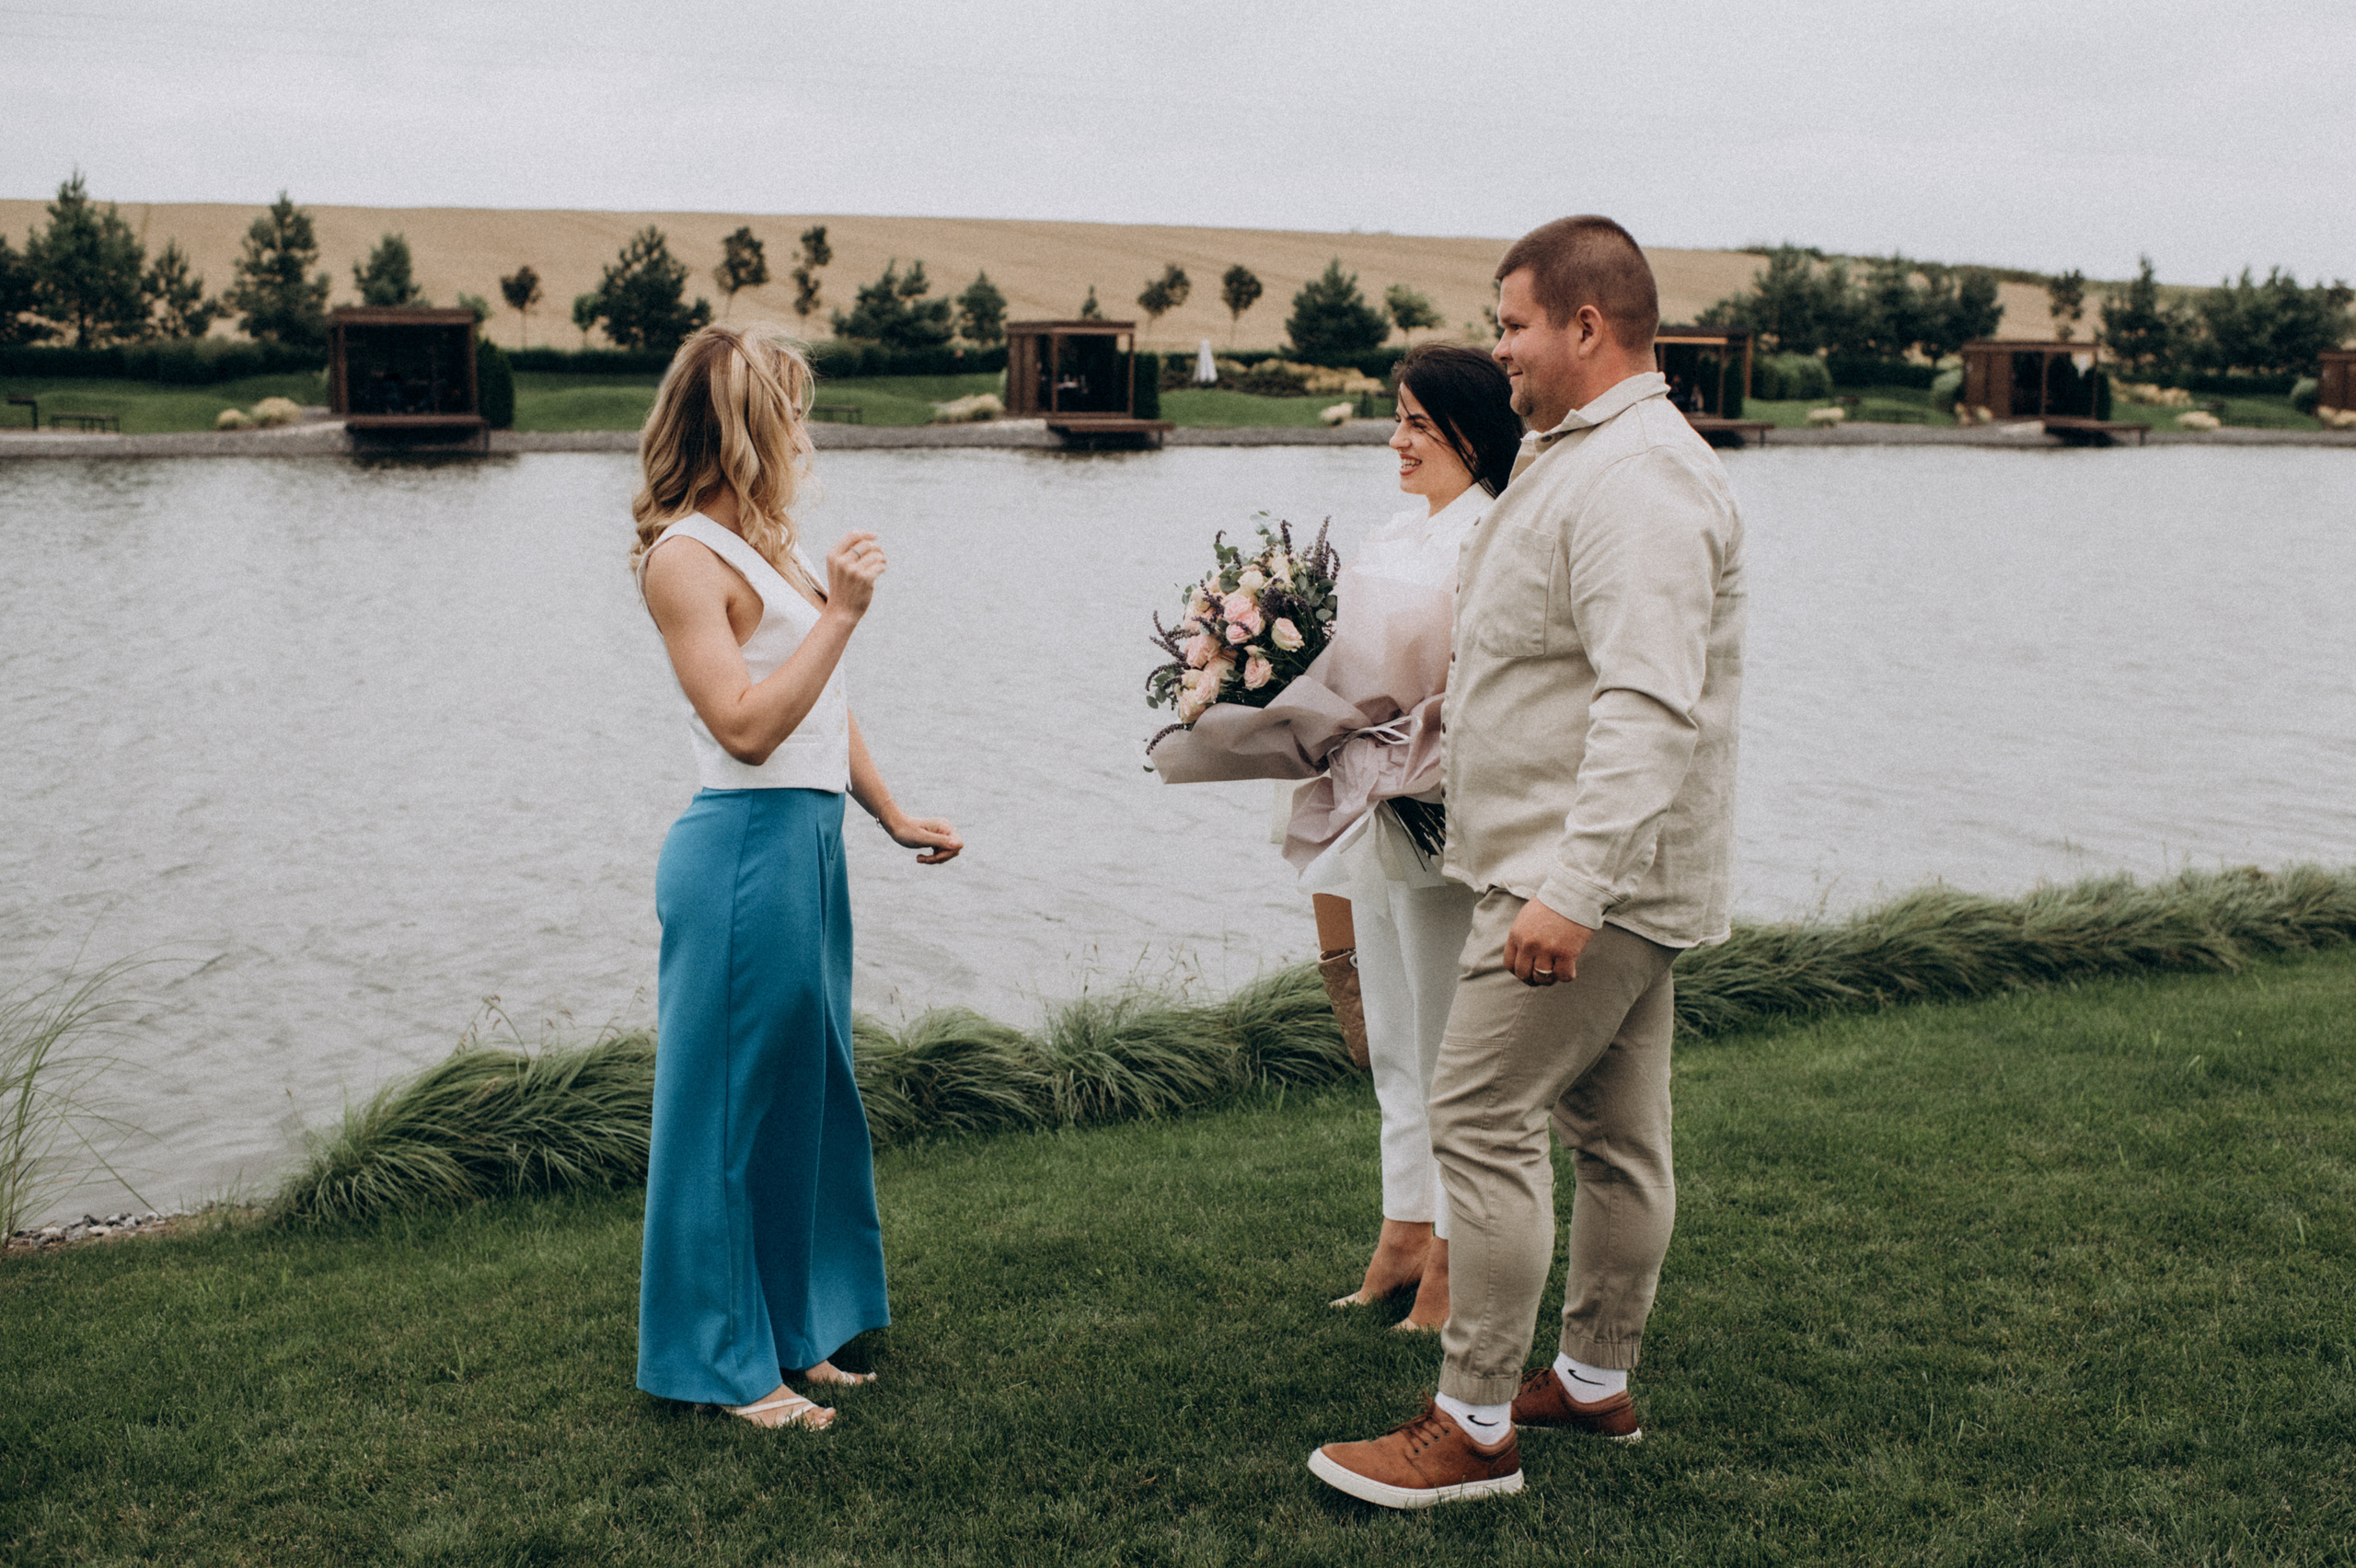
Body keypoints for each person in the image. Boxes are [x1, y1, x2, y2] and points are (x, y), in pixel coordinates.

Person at [1310, 215, 1748, 1507]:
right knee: (1615, 1137)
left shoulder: (1639, 482)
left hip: (1584, 873)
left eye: (1509, 325)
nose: (1495, 349)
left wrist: (1574, 884)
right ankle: (1594, 1384)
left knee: (1477, 1117)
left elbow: (1649, 704)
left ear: (1587, 326)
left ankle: (1474, 1421)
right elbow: (1536, 657)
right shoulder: (1577, 457)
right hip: (1573, 860)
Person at [630, 323, 963, 1431]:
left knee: (801, 1102)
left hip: (807, 847)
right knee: (724, 1111)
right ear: (744, 429)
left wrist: (893, 811)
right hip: (739, 854)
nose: (801, 437)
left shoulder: (768, 549)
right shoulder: (682, 558)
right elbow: (745, 726)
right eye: (789, 414)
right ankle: (724, 1365)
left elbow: (821, 704)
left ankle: (790, 1332)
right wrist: (841, 613)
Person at [1303, 343, 1521, 1331]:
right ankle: (1401, 1227)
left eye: (1418, 424)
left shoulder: (1494, 536)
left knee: (1443, 1044)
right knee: (1390, 1035)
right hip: (1372, 805)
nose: (1396, 441)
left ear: (1470, 435)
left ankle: (1452, 1259)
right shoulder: (1396, 533)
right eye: (1395, 419)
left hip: (1447, 814)